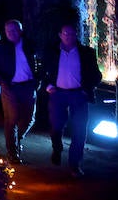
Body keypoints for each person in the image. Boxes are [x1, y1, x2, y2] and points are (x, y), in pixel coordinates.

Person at [40, 21, 103, 176]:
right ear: (60, 35)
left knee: (80, 129)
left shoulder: (86, 53)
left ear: (76, 35)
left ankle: (75, 163)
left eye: (72, 34)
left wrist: (86, 89)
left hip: (78, 94)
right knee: (56, 125)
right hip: (58, 94)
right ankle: (57, 147)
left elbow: (97, 74)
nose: (69, 36)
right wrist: (48, 87)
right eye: (65, 33)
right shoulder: (52, 52)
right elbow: (42, 70)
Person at [0, 18, 40, 164]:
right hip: (10, 87)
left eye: (14, 30)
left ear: (20, 30)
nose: (11, 33)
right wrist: (1, 81)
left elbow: (41, 62)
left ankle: (18, 139)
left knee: (29, 118)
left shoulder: (29, 44)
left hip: (28, 86)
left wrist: (38, 80)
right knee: (11, 119)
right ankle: (13, 152)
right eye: (8, 31)